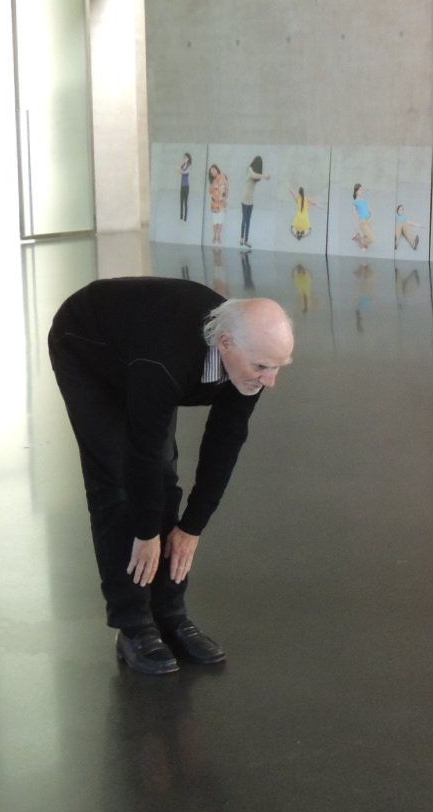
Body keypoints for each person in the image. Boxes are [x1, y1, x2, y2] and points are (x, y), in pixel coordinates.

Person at [47, 280, 294, 674]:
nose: (270, 380)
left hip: (143, 347)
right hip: (87, 345)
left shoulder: (252, 355)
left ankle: (170, 615)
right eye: (262, 367)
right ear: (226, 344)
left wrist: (192, 527)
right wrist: (146, 533)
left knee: (165, 481)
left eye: (279, 367)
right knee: (116, 484)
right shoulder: (166, 361)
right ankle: (133, 626)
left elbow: (226, 439)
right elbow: (142, 453)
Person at [239, 156, 269, 248]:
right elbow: (254, 175)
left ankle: (246, 240)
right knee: (244, 219)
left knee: (248, 221)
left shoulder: (255, 173)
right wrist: (264, 176)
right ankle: (241, 238)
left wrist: (263, 176)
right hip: (245, 199)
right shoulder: (249, 169)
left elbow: (256, 176)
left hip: (251, 200)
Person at [207, 164, 229, 245]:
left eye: (214, 170)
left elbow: (227, 188)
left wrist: (226, 199)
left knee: (220, 220)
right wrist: (212, 186)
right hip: (214, 203)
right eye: (211, 172)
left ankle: (219, 235)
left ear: (217, 169)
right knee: (215, 221)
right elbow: (210, 192)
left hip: (222, 202)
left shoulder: (223, 176)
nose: (213, 172)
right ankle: (215, 235)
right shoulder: (212, 181)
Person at [350, 184, 375, 250]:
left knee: (367, 235)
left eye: (362, 189)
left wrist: (371, 218)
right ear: (356, 192)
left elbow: (370, 211)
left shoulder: (364, 200)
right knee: (372, 238)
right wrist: (357, 226)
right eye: (360, 190)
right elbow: (354, 216)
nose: (362, 191)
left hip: (368, 221)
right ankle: (361, 241)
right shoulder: (355, 202)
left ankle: (359, 237)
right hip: (362, 221)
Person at [178, 152, 193, 222]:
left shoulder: (189, 166)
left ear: (188, 158)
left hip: (186, 186)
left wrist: (180, 170)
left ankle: (185, 218)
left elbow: (184, 172)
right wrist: (180, 170)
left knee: (185, 202)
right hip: (182, 185)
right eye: (184, 158)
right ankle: (181, 216)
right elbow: (179, 169)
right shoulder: (183, 165)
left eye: (186, 158)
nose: (184, 159)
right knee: (181, 201)